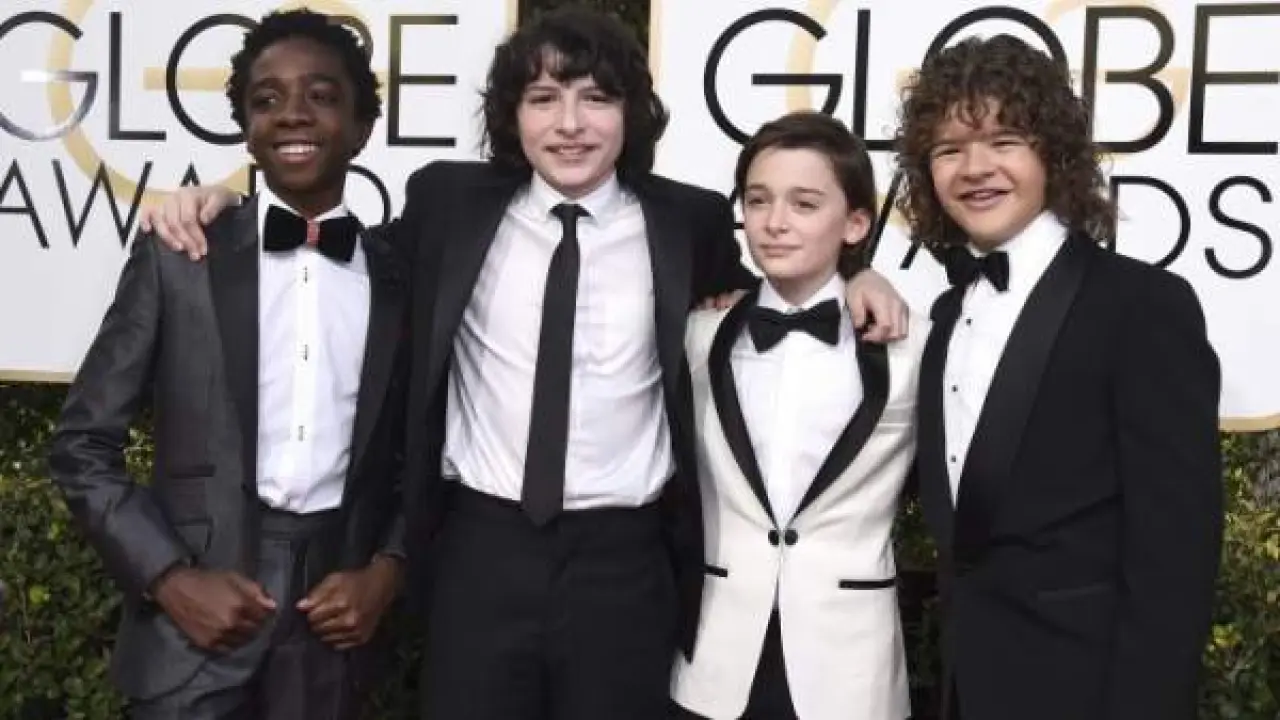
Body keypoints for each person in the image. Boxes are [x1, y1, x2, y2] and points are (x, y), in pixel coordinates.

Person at [141, 8, 909, 719]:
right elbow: (345, 254)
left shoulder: (688, 220)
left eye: (596, 99)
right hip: (480, 553)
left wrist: (858, 274)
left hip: (626, 565)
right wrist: (224, 203)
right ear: (513, 115)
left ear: (631, 113)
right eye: (544, 99)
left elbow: (772, 290)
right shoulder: (450, 203)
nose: (569, 124)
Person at [48, 10, 408, 718]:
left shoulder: (400, 278)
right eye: (267, 99)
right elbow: (82, 445)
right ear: (245, 127)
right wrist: (169, 578)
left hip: (333, 635)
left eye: (321, 96)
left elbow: (421, 453)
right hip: (190, 634)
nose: (292, 114)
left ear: (363, 126)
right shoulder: (180, 255)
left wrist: (387, 572)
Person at [895, 34, 1222, 720]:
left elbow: (1176, 555)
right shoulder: (948, 315)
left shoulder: (1140, 306)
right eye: (949, 149)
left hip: (1089, 691)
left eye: (1004, 140)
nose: (974, 168)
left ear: (1054, 153)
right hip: (967, 689)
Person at [670, 111, 927, 720]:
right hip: (712, 658)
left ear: (856, 223)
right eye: (758, 200)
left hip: (852, 668)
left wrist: (865, 276)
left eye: (804, 204)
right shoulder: (696, 335)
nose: (775, 222)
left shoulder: (917, 345)